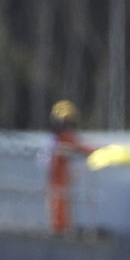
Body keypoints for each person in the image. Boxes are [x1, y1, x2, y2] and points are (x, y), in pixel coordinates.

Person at [46, 100, 97, 235]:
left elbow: (79, 145)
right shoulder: (60, 138)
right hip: (57, 173)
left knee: (61, 198)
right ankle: (59, 227)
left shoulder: (61, 138)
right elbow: (80, 146)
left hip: (61, 174)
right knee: (58, 198)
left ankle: (60, 226)